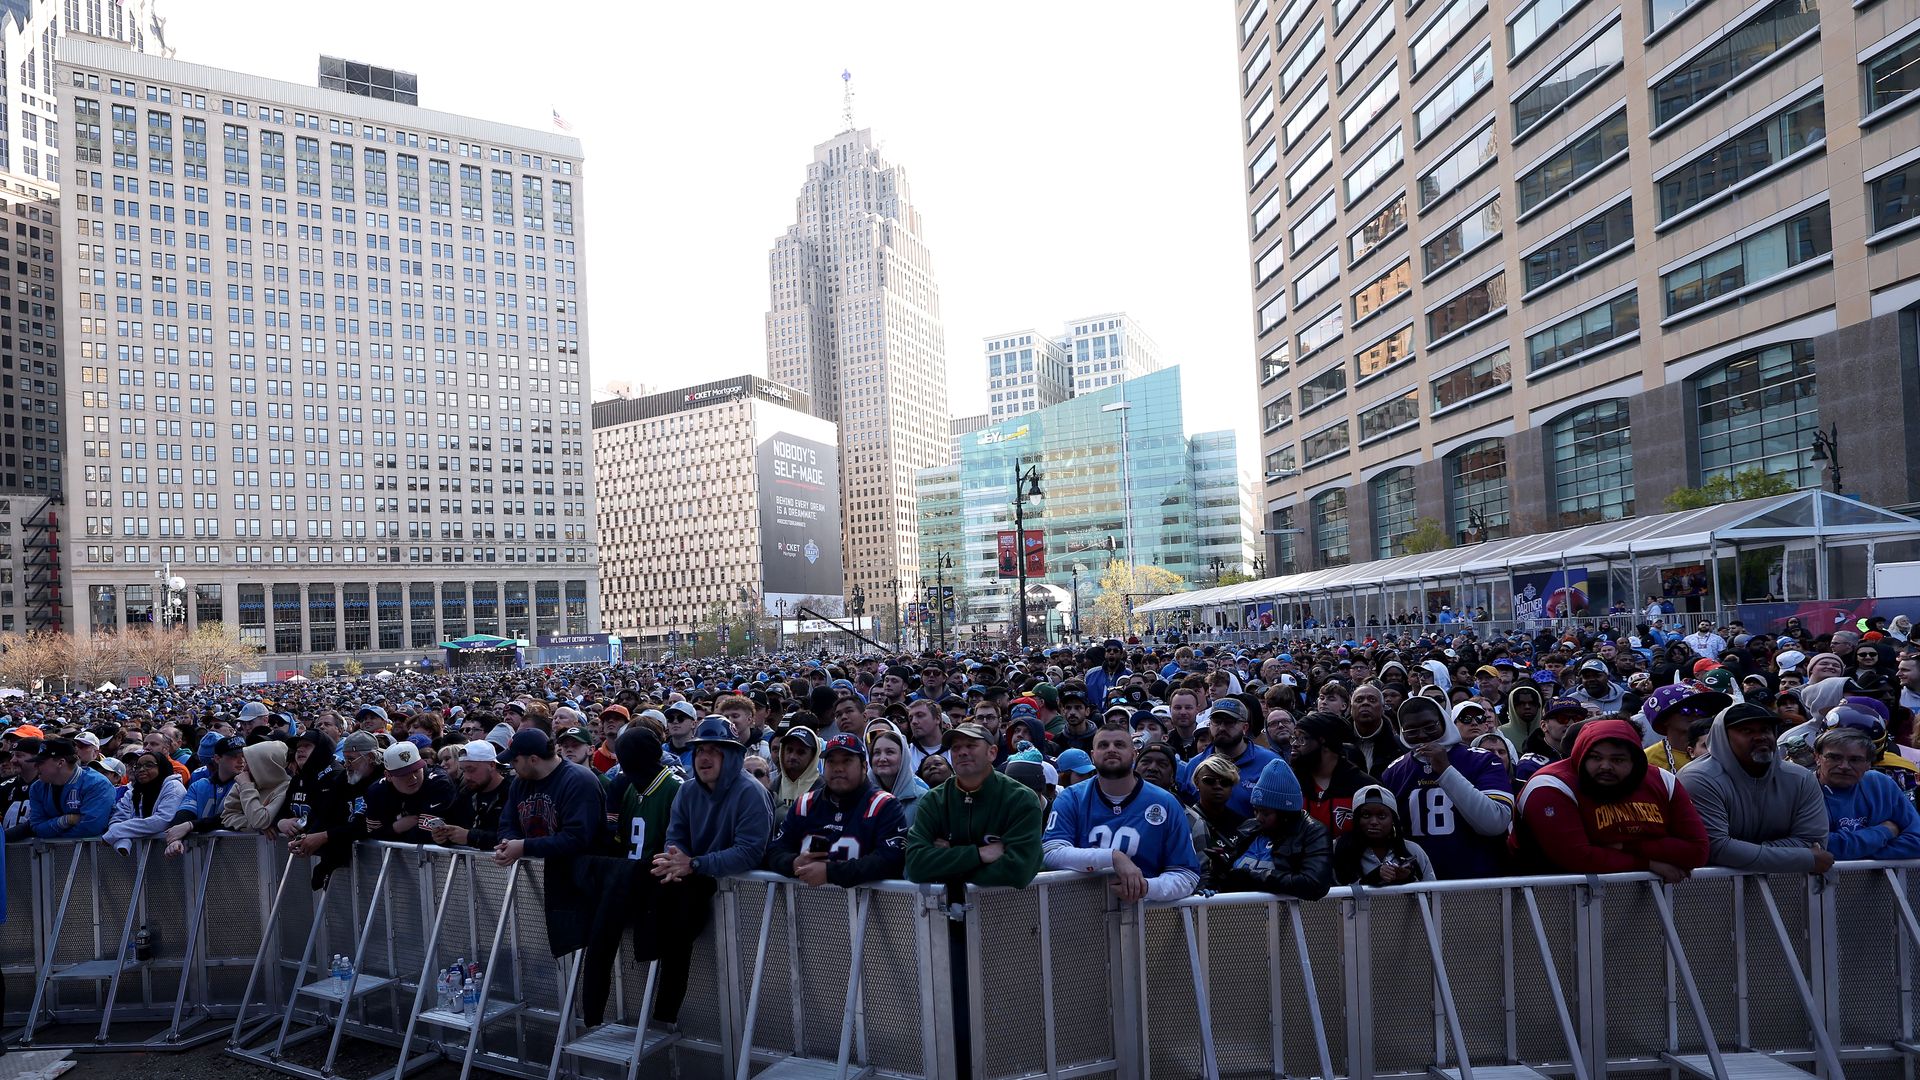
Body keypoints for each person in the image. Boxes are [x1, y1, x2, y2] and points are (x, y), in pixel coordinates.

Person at [1513, 719, 1709, 881]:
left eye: (1617, 760)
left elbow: (1697, 850)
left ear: (1636, 762)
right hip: (1551, 901)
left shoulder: (1663, 780)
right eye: (1596, 758)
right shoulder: (1550, 785)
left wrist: (1627, 846)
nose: (1605, 766)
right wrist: (1649, 864)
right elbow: (1577, 858)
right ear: (1581, 756)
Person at [1042, 722, 1201, 902]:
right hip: (1082, 915)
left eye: (1119, 744)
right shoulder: (1071, 798)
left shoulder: (1166, 803)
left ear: (1134, 754)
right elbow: (1051, 852)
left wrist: (1145, 887)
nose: (1111, 749)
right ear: (1093, 756)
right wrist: (1112, 857)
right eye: (1103, 745)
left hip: (1147, 916)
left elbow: (1187, 874)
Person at [1678, 702, 1831, 873]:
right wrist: (1802, 858)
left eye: (1765, 730)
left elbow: (1812, 841)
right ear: (1722, 738)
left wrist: (1741, 851)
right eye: (1746, 731)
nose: (1760, 737)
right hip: (1712, 891)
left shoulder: (1801, 778)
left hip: (1786, 888)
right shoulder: (1699, 778)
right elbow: (1716, 847)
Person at [1376, 697, 1513, 879]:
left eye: (1430, 727)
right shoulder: (1394, 771)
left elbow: (1495, 822)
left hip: (1478, 880)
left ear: (1444, 722)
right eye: (1412, 730)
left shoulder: (1483, 760)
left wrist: (1445, 770)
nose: (1423, 735)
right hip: (1418, 884)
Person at [905, 722, 1045, 888]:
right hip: (947, 911)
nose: (962, 752)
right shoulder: (933, 800)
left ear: (992, 753)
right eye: (956, 748)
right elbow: (915, 865)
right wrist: (979, 854)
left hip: (1011, 908)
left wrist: (949, 862)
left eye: (971, 746)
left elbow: (1019, 870)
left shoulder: (1020, 799)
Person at [767, 733, 908, 887]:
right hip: (808, 905)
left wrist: (830, 872)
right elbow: (774, 851)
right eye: (831, 761)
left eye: (847, 761)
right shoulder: (804, 804)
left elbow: (891, 859)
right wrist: (794, 863)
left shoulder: (884, 805)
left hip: (868, 908)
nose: (838, 768)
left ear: (864, 766)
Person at [655, 718, 773, 885]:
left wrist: (694, 863)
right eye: (700, 750)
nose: (703, 757)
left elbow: (749, 852)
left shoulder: (752, 792)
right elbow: (675, 837)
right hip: (697, 888)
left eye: (713, 750)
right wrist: (675, 858)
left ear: (731, 755)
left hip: (745, 894)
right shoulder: (687, 790)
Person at [1210, 760, 1332, 900]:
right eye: (1255, 811)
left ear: (1285, 814)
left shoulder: (1313, 832)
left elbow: (1314, 884)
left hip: (1286, 918)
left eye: (1266, 813)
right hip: (1238, 914)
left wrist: (1253, 877)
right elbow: (1228, 877)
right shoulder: (1249, 827)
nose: (1258, 818)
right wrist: (1217, 873)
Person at [496, 729, 609, 867]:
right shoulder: (520, 783)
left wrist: (524, 846)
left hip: (581, 876)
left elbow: (577, 838)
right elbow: (507, 823)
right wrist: (507, 843)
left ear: (533, 760)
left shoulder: (579, 780)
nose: (512, 766)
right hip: (537, 874)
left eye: (515, 760)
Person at [1813, 716, 1920, 860]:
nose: (1844, 766)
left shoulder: (1881, 784)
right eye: (1834, 757)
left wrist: (1856, 854)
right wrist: (1884, 831)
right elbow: (1818, 846)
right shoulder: (1803, 787)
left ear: (1868, 763)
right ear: (1817, 758)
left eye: (1855, 760)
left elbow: (1916, 841)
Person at [1180, 698, 1279, 818]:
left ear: (1244, 727)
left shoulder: (1270, 763)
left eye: (1229, 722)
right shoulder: (1195, 765)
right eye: (1216, 722)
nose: (1221, 728)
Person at [1291, 712, 1377, 836]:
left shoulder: (1365, 787)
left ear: (1324, 742)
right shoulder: (1291, 782)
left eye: (1302, 738)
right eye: (1294, 738)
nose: (1294, 744)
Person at [1331, 784, 1433, 886]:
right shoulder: (1337, 849)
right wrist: (1374, 878)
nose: (1374, 822)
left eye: (1382, 816)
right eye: (1366, 815)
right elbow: (1328, 896)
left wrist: (1407, 878)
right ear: (1356, 819)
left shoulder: (1413, 851)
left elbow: (1433, 894)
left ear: (1393, 820)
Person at [164, 735, 246, 857]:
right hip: (204, 855)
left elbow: (234, 817)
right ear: (217, 758)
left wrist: (191, 825)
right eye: (234, 756)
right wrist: (175, 837)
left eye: (244, 755)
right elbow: (184, 813)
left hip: (241, 852)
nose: (241, 760)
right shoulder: (199, 785)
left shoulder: (247, 783)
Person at [363, 741, 458, 844]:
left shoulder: (438, 782)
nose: (412, 778)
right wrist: (396, 828)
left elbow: (424, 835)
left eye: (416, 770)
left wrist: (391, 830)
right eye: (404, 774)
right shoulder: (377, 791)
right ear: (388, 775)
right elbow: (372, 833)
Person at [29, 738, 116, 839]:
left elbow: (91, 827)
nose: (35, 767)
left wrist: (52, 835)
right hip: (52, 853)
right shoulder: (37, 787)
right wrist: (67, 820)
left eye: (40, 763)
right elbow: (37, 828)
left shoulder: (97, 784)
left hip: (94, 852)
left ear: (60, 763)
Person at [102, 750, 187, 854]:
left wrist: (116, 832)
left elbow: (162, 821)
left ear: (161, 767)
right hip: (137, 856)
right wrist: (123, 842)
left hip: (169, 853)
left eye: (149, 765)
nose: (141, 770)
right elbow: (117, 818)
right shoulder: (133, 792)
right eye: (138, 766)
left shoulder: (173, 786)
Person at [430, 741, 511, 850]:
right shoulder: (466, 793)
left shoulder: (511, 792)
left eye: (471, 770)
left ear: (492, 765)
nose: (467, 776)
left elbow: (512, 837)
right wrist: (443, 836)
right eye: (463, 771)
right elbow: (452, 823)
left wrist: (470, 837)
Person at [1642, 684, 1731, 774]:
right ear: (1664, 719)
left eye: (1701, 710)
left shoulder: (1725, 749)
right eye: (1686, 710)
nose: (1696, 714)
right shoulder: (1647, 759)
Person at [221, 740, 291, 834]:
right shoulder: (244, 782)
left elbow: (260, 820)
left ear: (265, 766)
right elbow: (227, 817)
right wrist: (255, 827)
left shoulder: (286, 787)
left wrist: (247, 787)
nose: (244, 768)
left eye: (250, 764)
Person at [867, 727, 929, 826]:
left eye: (890, 752)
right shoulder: (861, 797)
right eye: (877, 753)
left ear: (903, 757)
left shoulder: (923, 798)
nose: (882, 758)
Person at [771, 726, 821, 821]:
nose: (793, 756)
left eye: (801, 752)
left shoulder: (824, 789)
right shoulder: (772, 786)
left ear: (813, 756)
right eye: (789, 750)